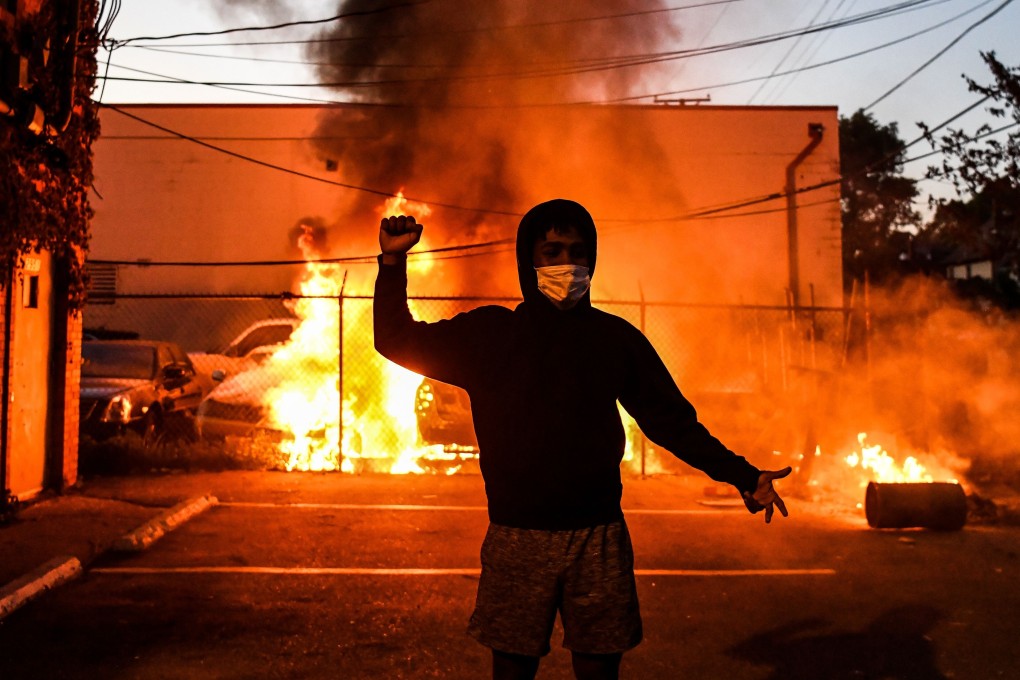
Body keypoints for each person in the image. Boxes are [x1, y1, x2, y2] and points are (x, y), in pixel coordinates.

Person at [374, 198, 791, 680]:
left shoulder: (614, 340)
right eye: (552, 251)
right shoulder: (490, 336)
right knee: (512, 669)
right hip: (517, 537)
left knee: (599, 670)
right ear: (528, 261)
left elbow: (671, 423)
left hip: (598, 537)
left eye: (577, 252)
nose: (566, 264)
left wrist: (742, 475)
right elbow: (397, 340)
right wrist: (392, 262)